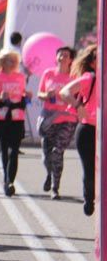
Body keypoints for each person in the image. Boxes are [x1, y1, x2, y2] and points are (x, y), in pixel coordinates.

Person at [0, 50, 30, 196]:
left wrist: (27, 95)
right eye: (7, 60)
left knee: (14, 150)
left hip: (17, 116)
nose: (10, 63)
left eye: (13, 61)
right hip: (1, 117)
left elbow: (22, 94)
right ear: (2, 62)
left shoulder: (20, 77)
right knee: (5, 149)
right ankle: (6, 179)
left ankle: (10, 180)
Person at [59, 45, 97, 216]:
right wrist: (77, 105)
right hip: (88, 129)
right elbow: (64, 92)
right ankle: (89, 199)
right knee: (89, 169)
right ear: (92, 62)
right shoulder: (90, 78)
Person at [37, 47, 78, 200]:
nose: (63, 56)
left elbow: (80, 98)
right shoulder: (48, 73)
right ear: (57, 57)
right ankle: (49, 173)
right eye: (60, 54)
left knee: (57, 152)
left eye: (66, 55)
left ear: (71, 60)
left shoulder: (74, 77)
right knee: (47, 155)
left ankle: (56, 187)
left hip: (67, 119)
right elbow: (39, 94)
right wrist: (46, 95)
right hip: (50, 118)